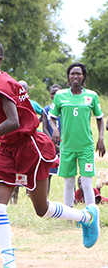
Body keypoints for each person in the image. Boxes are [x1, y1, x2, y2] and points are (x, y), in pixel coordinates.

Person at [0, 39, 100, 268]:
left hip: (29, 147)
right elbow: (3, 120)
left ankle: (86, 217)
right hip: (7, 149)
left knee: (42, 209)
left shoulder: (2, 82)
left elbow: (15, 121)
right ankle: (10, 267)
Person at [48, 62, 105, 208]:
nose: (75, 76)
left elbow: (100, 119)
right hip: (67, 146)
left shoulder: (91, 96)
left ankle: (92, 215)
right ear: (68, 76)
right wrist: (55, 129)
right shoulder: (60, 96)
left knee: (86, 182)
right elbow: (51, 117)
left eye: (78, 73)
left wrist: (101, 139)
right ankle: (68, 214)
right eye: (72, 73)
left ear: (83, 76)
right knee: (69, 182)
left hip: (86, 146)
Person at [41, 84, 62, 194]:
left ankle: (72, 197)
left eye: (57, 93)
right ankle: (45, 196)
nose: (54, 95)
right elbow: (45, 128)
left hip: (65, 145)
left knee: (69, 173)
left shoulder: (65, 108)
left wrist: (63, 145)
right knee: (48, 172)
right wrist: (53, 145)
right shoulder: (46, 110)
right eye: (52, 93)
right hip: (51, 146)